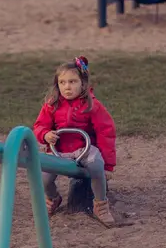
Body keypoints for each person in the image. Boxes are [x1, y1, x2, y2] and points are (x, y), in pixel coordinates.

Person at [33, 56, 117, 228]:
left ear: (83, 83)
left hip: (83, 149)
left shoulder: (92, 105)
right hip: (59, 151)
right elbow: (39, 126)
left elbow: (106, 132)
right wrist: (46, 134)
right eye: (62, 82)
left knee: (96, 164)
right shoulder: (52, 105)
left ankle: (100, 204)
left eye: (72, 81)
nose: (67, 87)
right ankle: (53, 198)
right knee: (43, 176)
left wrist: (108, 165)